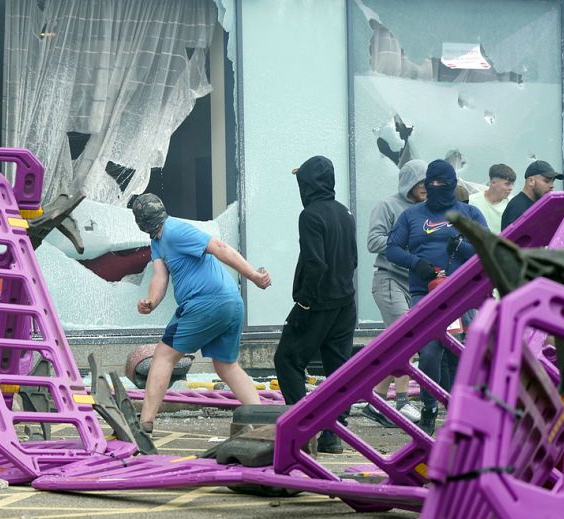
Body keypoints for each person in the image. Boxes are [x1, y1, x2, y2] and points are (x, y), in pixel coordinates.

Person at [131, 194, 272, 435]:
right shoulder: (158, 242)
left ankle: (144, 424)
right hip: (231, 303)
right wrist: (152, 301)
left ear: (140, 222)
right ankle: (265, 426)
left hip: (205, 302)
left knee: (163, 356)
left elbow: (219, 247)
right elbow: (160, 276)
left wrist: (254, 276)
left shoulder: (175, 230)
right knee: (226, 366)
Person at [386, 159, 488, 435]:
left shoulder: (470, 213)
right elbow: (392, 248)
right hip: (425, 294)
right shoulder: (411, 215)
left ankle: (459, 415)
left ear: (453, 184)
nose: (437, 187)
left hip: (462, 296)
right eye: (432, 183)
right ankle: (430, 407)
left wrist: (464, 247)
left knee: (460, 355)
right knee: (429, 351)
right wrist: (414, 262)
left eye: (443, 183)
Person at [273, 156, 357, 454]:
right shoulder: (344, 212)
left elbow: (315, 263)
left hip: (318, 303)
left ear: (307, 185)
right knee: (338, 370)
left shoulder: (310, 215)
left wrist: (304, 304)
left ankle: (301, 427)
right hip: (346, 303)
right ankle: (333, 435)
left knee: (287, 359)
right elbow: (353, 259)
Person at [364, 160, 427, 428]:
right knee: (406, 339)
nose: (427, 189)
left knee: (403, 343)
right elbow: (373, 241)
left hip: (414, 284)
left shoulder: (427, 210)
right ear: (409, 183)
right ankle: (400, 402)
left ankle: (377, 401)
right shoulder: (387, 206)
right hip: (389, 279)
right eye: (422, 184)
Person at [501, 160, 563, 231]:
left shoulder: (541, 205)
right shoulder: (517, 208)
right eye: (546, 181)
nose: (552, 186)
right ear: (531, 181)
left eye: (553, 181)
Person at [468, 164, 516, 234]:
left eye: (512, 184)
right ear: (493, 182)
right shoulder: (472, 201)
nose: (511, 188)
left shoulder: (512, 204)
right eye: (507, 184)